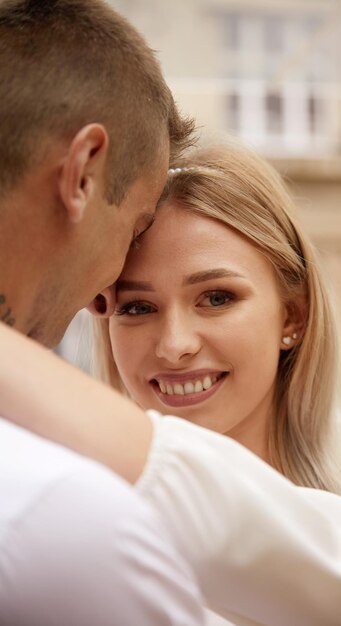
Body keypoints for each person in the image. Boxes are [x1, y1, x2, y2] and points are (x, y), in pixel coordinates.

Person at [2, 142, 341, 624]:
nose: (174, 344)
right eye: (137, 307)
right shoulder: (63, 545)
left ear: (293, 316)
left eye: (216, 298)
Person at [0, 1, 205, 624]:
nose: (103, 298)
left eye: (216, 297)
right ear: (83, 173)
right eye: (136, 225)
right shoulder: (67, 520)